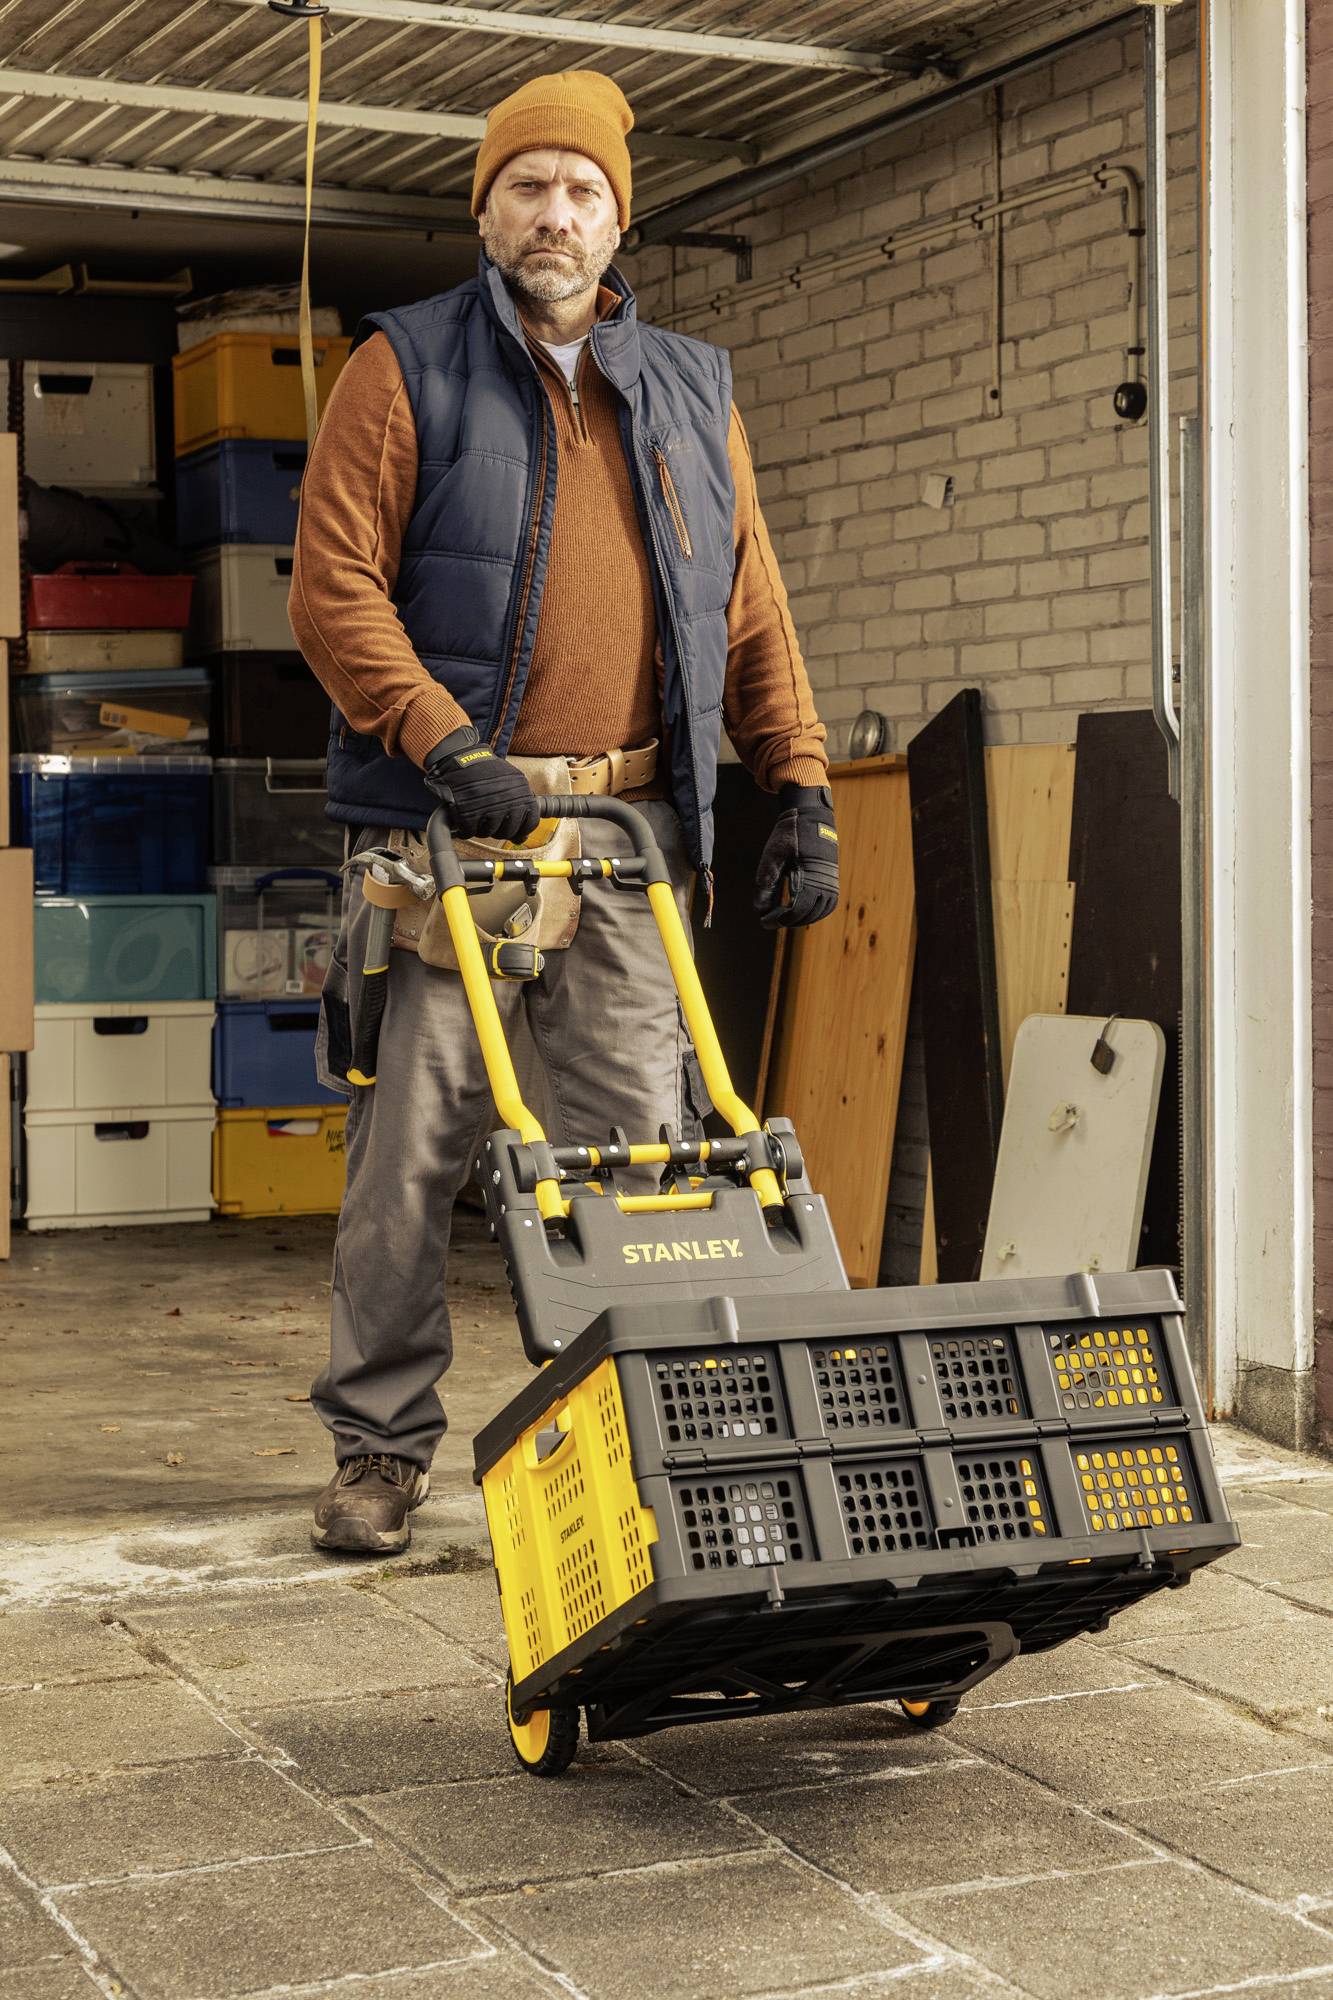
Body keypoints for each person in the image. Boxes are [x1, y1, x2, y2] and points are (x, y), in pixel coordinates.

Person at [290, 67, 838, 1553]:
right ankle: (379, 1448)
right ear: (484, 209)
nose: (556, 211)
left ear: (618, 220)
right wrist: (440, 737)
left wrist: (793, 782)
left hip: (623, 840)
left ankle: (641, 1429)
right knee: (414, 1148)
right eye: (527, 184)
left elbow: (747, 611)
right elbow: (330, 591)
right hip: (452, 833)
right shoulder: (400, 365)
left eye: (583, 189)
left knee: (639, 1146)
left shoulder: (691, 386)